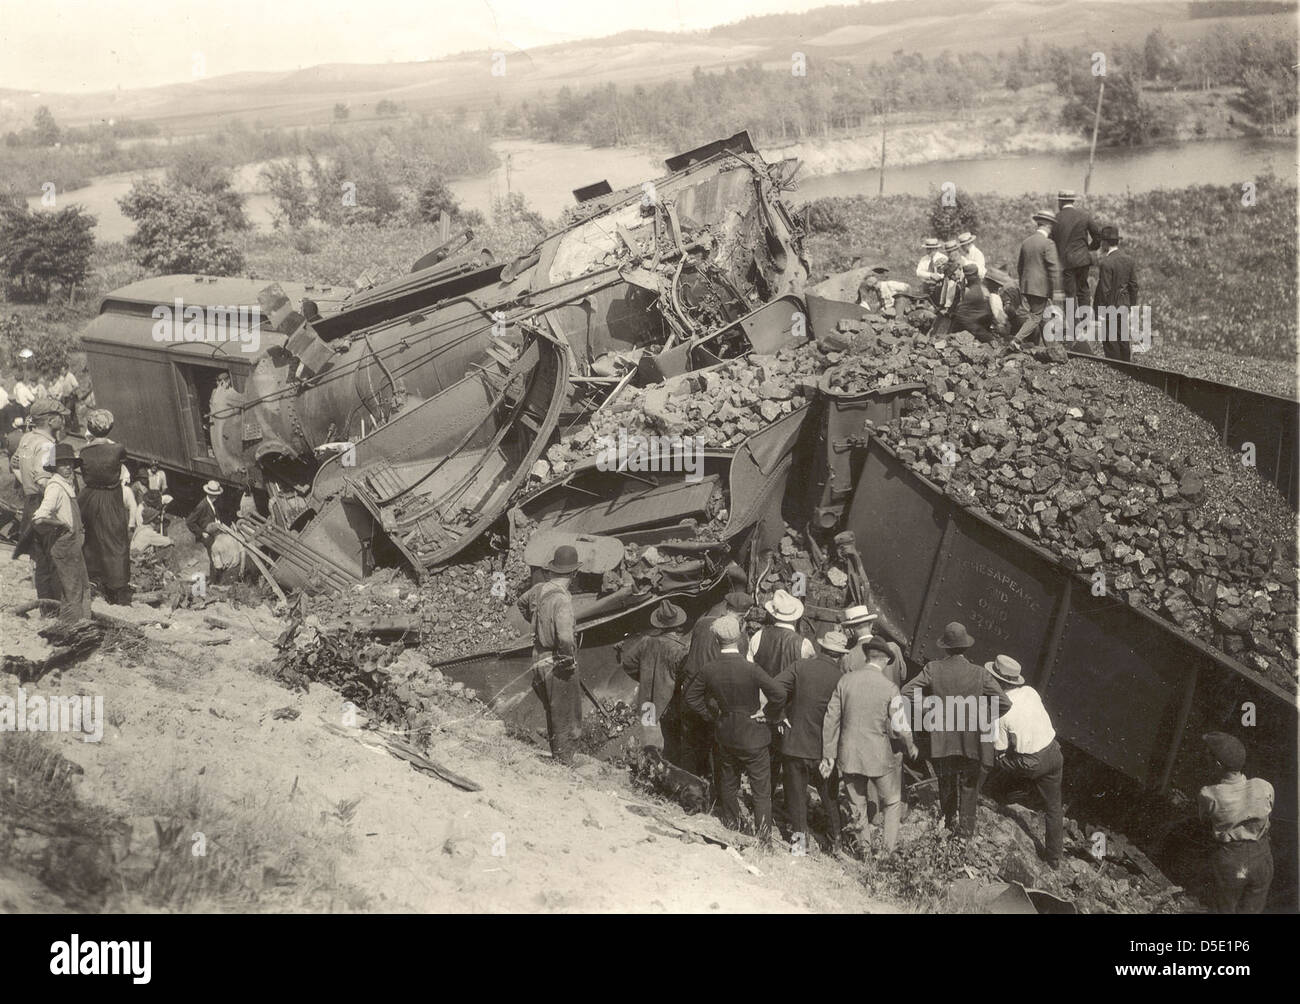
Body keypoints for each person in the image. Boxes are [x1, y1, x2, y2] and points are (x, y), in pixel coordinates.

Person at [900, 622, 1006, 839]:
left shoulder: (933, 669)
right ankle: (965, 835)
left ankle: (948, 825)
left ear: (945, 648)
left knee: (946, 783)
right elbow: (1004, 703)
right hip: (972, 743)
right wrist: (980, 717)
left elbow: (907, 691)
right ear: (965, 647)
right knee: (969, 788)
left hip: (944, 740)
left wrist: (932, 708)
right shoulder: (980, 674)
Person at [685, 614, 785, 843]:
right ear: (739, 637)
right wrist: (768, 713)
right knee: (761, 790)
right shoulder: (751, 668)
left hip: (726, 733)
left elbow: (692, 697)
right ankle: (763, 839)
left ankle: (731, 824)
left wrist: (712, 715)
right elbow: (778, 694)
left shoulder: (710, 669)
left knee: (728, 783)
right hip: (754, 736)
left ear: (716, 640)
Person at [823, 637, 917, 854]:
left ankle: (865, 852)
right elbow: (901, 726)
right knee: (892, 802)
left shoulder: (845, 681)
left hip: (849, 754)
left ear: (867, 658)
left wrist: (829, 753)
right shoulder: (890, 688)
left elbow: (831, 719)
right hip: (878, 756)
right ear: (884, 661)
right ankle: (886, 853)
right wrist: (910, 746)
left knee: (858, 805)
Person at [771, 630, 849, 853]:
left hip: (795, 744)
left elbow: (774, 687)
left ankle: (799, 845)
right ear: (840, 656)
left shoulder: (800, 666)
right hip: (824, 749)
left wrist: (779, 714)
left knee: (795, 796)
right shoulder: (842, 679)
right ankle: (836, 842)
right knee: (829, 796)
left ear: (822, 648)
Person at [987, 655, 1063, 868]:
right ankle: (1054, 859)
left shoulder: (1000, 711)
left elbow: (999, 750)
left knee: (1000, 760)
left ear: (999, 682)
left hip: (1032, 762)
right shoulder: (1030, 691)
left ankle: (993, 797)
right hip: (1054, 752)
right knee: (1054, 807)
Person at [518, 544, 583, 764]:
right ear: (573, 573)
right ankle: (565, 764)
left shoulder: (538, 590)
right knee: (566, 716)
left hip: (538, 658)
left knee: (552, 712)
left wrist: (539, 625)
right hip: (556, 661)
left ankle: (558, 758)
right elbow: (565, 638)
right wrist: (568, 661)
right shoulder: (562, 600)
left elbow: (521, 603)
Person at [679, 590, 751, 781]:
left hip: (689, 689)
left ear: (726, 607)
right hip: (712, 697)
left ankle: (686, 781)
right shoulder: (739, 638)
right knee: (714, 743)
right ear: (745, 614)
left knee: (689, 742)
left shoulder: (702, 623)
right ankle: (712, 788)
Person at [1199, 732, 1274, 914]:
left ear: (1217, 764)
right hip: (1262, 855)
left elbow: (1204, 821)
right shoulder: (1264, 786)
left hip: (1231, 861)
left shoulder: (1209, 794)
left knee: (1224, 908)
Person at [11, 397, 67, 610]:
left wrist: (25, 482)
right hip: (44, 502)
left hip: (30, 502)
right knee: (54, 555)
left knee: (40, 558)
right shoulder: (47, 445)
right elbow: (43, 479)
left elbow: (15, 464)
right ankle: (56, 606)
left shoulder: (27, 438)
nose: (63, 419)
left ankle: (46, 607)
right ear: (51, 420)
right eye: (60, 417)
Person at [619, 599, 689, 760]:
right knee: (671, 748)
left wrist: (643, 677)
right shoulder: (680, 650)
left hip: (647, 701)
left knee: (650, 747)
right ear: (678, 625)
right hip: (670, 704)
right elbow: (685, 678)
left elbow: (628, 663)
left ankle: (647, 776)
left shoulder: (646, 641)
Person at [32, 442, 90, 625]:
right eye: (63, 463)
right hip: (64, 543)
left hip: (73, 543)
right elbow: (39, 517)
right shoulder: (55, 486)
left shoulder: (67, 484)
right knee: (73, 588)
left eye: (70, 463)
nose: (68, 467)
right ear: (55, 466)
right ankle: (72, 627)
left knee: (81, 585)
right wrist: (61, 523)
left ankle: (79, 623)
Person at [78, 409, 132, 605]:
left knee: (91, 540)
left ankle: (95, 582)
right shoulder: (118, 449)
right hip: (111, 498)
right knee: (115, 541)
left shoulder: (84, 451)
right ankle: (117, 587)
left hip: (89, 497)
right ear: (110, 428)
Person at [1013, 209, 1063, 346]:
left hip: (1027, 286)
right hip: (1040, 288)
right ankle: (1016, 340)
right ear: (1049, 225)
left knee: (1043, 316)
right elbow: (1054, 269)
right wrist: (1057, 292)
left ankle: (1052, 348)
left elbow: (1020, 267)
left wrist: (1024, 284)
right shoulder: (1048, 244)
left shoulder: (1026, 242)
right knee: (1036, 316)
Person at [1093, 225, 1139, 362]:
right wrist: (1131, 305)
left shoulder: (1106, 262)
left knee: (1110, 340)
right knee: (1123, 339)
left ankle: (1115, 370)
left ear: (1105, 243)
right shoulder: (1128, 260)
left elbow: (1104, 290)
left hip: (1109, 306)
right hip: (1124, 304)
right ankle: (1127, 369)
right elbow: (1134, 286)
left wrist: (1099, 311)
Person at [1053, 190, 1102, 302]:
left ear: (1060, 202)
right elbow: (1098, 235)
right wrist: (1089, 248)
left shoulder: (1055, 218)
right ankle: (1085, 318)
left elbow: (1051, 241)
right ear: (1073, 201)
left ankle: (1071, 319)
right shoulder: (1084, 216)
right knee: (1083, 290)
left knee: (1069, 294)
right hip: (1083, 260)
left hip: (1066, 261)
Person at [949, 262, 1000, 342]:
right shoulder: (976, 291)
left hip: (977, 325)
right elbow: (962, 316)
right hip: (971, 328)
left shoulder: (977, 290)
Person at [187, 480, 224, 578]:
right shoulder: (202, 505)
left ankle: (218, 576)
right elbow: (189, 521)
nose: (216, 496)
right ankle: (214, 579)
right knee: (213, 556)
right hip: (207, 534)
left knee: (218, 553)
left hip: (214, 532)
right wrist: (201, 532)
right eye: (214, 494)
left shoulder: (213, 503)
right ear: (210, 494)